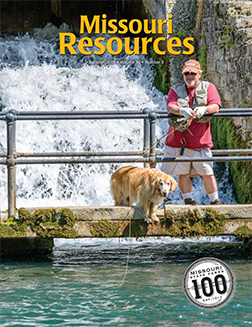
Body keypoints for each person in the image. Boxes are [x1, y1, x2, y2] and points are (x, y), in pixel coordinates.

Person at [161, 59, 221, 205]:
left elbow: (216, 105)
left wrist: (205, 109)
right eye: (186, 73)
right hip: (177, 143)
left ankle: (215, 202)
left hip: (201, 143)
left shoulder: (209, 87)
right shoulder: (175, 89)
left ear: (199, 74)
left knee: (208, 173)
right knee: (182, 174)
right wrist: (181, 110)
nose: (189, 76)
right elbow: (170, 106)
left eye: (192, 73)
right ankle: (188, 201)